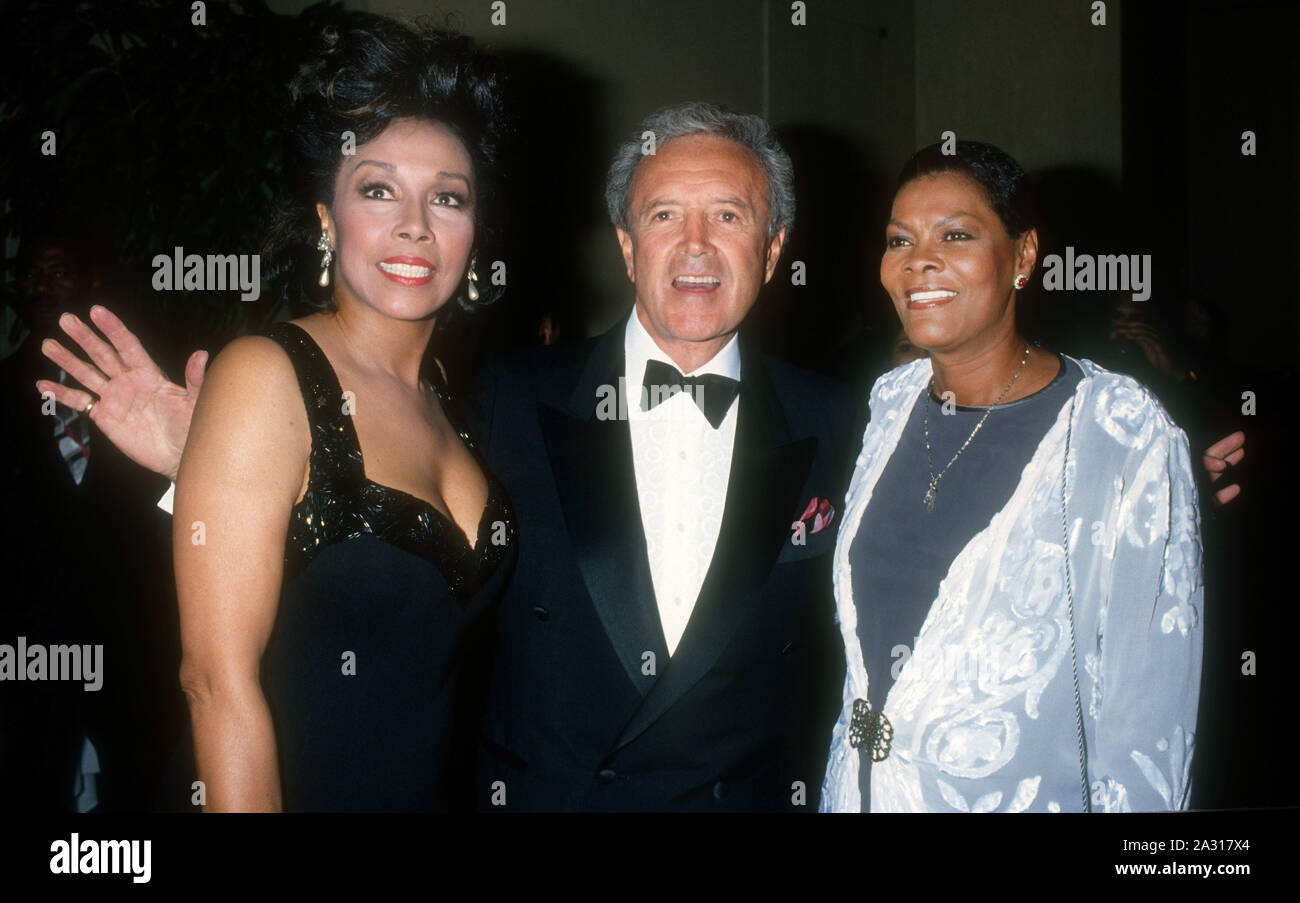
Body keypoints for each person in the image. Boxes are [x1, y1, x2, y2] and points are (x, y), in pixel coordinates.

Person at [40, 14, 514, 812]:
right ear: (327, 218)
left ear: (475, 233)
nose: (414, 225)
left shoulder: (455, 402)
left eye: (448, 198)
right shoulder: (268, 373)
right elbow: (215, 684)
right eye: (377, 188)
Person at [819, 141, 1204, 812]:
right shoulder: (887, 404)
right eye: (899, 239)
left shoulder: (1121, 430)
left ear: (1023, 256)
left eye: (956, 234)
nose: (920, 261)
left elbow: (1149, 728)